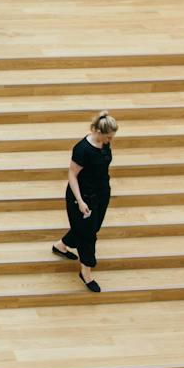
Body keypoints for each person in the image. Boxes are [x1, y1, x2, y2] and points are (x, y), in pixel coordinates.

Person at [52, 113, 120, 293]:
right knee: (89, 235)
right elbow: (72, 175)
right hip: (82, 196)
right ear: (98, 131)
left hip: (101, 192)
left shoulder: (104, 143)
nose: (109, 140)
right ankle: (86, 272)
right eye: (108, 136)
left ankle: (61, 245)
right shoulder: (82, 149)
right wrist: (80, 201)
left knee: (92, 227)